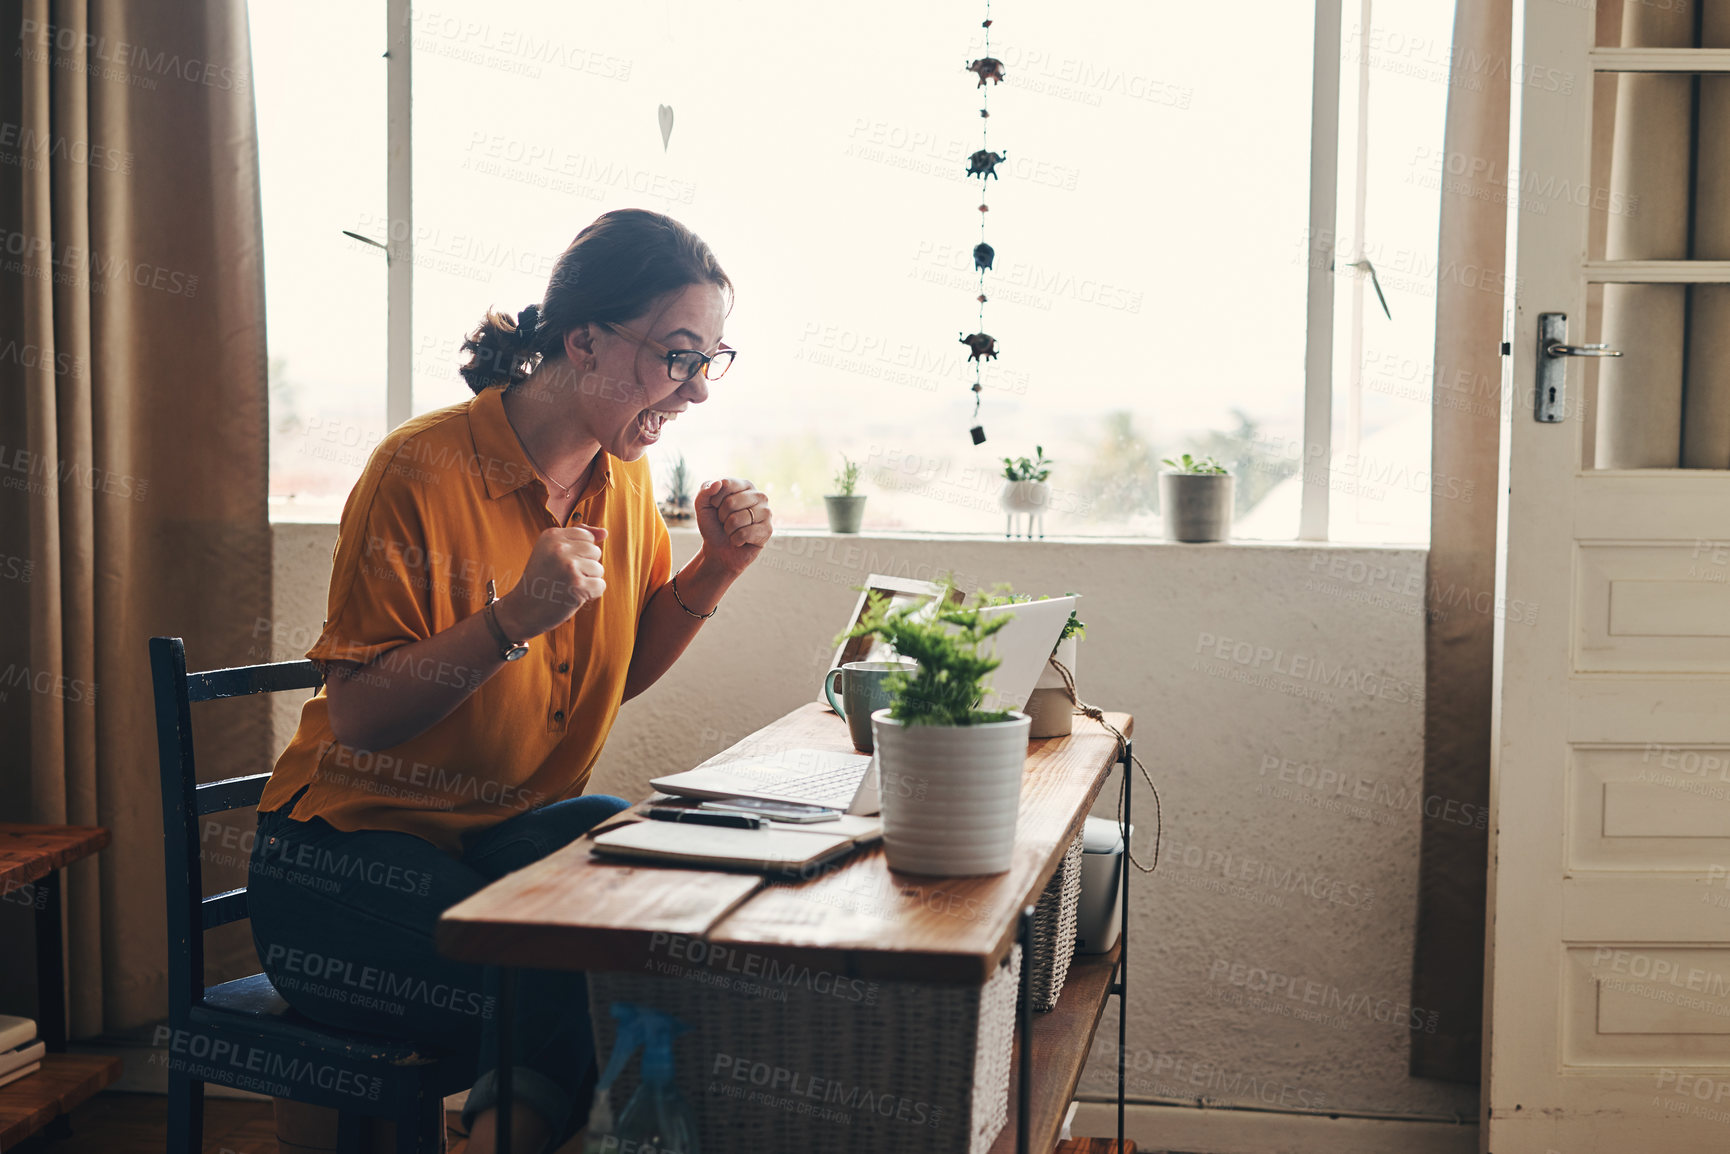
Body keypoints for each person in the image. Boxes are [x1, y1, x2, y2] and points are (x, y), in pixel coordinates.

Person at [247, 208, 771, 1154]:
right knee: (557, 964)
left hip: (493, 844)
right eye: (678, 356)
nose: (696, 391)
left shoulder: (621, 486)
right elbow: (358, 716)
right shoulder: (421, 469)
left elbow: (616, 676)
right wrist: (508, 622)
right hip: (338, 864)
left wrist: (714, 569)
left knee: (617, 842)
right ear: (585, 341)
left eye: (711, 360)